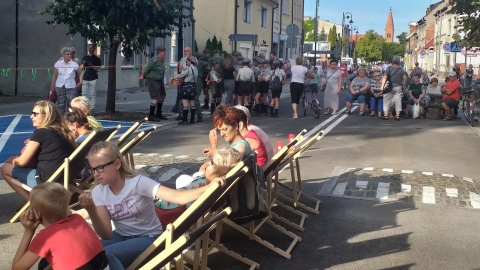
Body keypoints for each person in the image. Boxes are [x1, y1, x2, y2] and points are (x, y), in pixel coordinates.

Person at [78, 141, 225, 270]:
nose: (96, 174)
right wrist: (91, 210)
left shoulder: (138, 183)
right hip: (121, 236)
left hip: (149, 237)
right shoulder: (98, 192)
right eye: (93, 169)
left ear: (117, 164)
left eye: (101, 167)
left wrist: (208, 187)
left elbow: (178, 197)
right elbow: (106, 234)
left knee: (109, 255)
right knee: (89, 253)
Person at [12, 182, 108, 270]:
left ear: (36, 212)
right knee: (44, 263)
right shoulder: (77, 219)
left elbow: (17, 268)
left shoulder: (46, 237)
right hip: (102, 266)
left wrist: (28, 231)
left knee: (43, 263)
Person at [1, 100, 76, 202]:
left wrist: (12, 161)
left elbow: (22, 162)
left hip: (46, 181)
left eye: (35, 114)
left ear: (47, 116)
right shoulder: (63, 131)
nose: (31, 117)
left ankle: (34, 206)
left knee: (5, 168)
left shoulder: (41, 132)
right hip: (65, 179)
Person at [139, 46, 168, 122]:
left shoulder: (161, 60)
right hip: (153, 81)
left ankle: (158, 113)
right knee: (155, 98)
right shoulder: (154, 60)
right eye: (163, 51)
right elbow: (146, 69)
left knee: (162, 95)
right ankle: (151, 115)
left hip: (159, 80)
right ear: (160, 52)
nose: (165, 52)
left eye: (164, 51)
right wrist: (143, 76)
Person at [50, 47, 81, 114]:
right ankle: (61, 118)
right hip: (60, 85)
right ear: (63, 55)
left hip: (71, 85)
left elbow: (80, 74)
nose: (69, 55)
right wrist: (52, 86)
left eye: (70, 54)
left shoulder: (74, 64)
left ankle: (70, 117)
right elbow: (55, 75)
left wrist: (80, 82)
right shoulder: (58, 63)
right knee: (61, 103)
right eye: (67, 54)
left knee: (71, 102)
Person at [381, 56, 407, 120]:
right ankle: (397, 116)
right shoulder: (401, 69)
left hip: (389, 86)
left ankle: (386, 115)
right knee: (398, 101)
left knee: (386, 101)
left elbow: (385, 77)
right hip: (398, 87)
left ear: (392, 61)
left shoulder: (389, 68)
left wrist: (382, 86)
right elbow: (405, 79)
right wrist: (403, 86)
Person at [174, 56, 198, 125]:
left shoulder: (188, 69)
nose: (186, 62)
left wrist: (174, 77)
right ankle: (192, 120)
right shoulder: (196, 69)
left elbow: (181, 75)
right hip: (193, 87)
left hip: (186, 87)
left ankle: (185, 120)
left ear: (190, 62)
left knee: (185, 104)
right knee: (192, 103)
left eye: (187, 61)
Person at [79, 44, 102, 109]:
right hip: (85, 77)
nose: (90, 50)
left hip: (93, 77)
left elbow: (98, 69)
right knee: (84, 93)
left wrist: (91, 65)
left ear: (94, 49)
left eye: (91, 48)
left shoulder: (97, 59)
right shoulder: (85, 57)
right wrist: (83, 64)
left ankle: (92, 107)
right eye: (89, 48)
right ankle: (84, 106)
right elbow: (80, 68)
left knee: (92, 94)